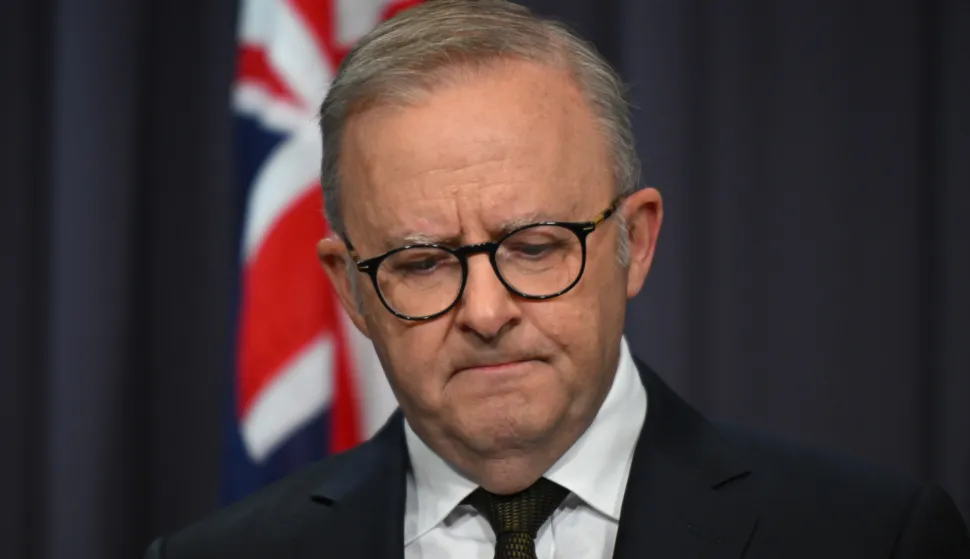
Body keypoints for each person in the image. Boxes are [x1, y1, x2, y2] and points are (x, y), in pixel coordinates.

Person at [144, 1, 970, 557]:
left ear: (634, 241)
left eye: (536, 246)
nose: (486, 310)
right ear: (351, 287)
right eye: (423, 261)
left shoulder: (870, 537)